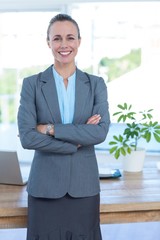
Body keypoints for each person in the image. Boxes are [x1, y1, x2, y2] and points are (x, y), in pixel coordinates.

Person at [17, 13, 110, 240]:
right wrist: (76, 143)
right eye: (57, 38)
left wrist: (50, 129)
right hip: (44, 189)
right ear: (48, 42)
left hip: (84, 188)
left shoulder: (96, 84)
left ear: (79, 41)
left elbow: (100, 132)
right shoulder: (32, 85)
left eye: (70, 37)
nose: (64, 44)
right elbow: (27, 138)